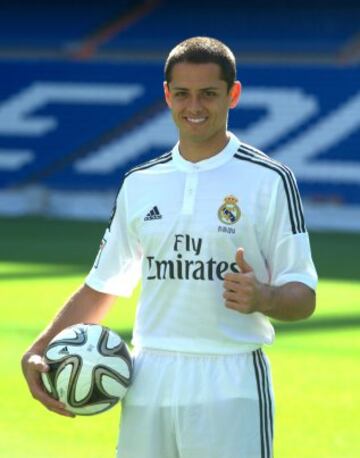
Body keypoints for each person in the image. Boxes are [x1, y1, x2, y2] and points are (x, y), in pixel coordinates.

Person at [21, 36, 317, 458]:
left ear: (233, 94)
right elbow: (103, 284)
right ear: (167, 95)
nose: (194, 106)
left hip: (230, 378)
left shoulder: (270, 180)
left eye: (208, 94)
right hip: (147, 376)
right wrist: (38, 349)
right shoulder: (140, 182)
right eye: (182, 94)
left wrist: (264, 296)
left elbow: (303, 295)